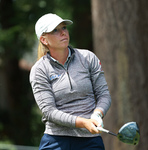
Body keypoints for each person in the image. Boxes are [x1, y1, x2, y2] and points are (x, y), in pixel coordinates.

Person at [29, 13, 111, 150]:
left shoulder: (88, 58)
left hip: (90, 141)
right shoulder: (39, 70)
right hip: (56, 141)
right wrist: (83, 122)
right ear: (44, 40)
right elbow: (49, 111)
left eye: (64, 28)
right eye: (55, 30)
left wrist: (97, 114)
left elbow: (104, 94)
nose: (63, 33)